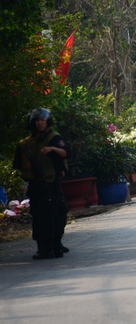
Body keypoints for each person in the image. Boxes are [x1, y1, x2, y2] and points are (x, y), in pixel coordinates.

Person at [13, 108, 71, 260]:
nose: (39, 123)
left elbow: (66, 152)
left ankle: (56, 245)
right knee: (40, 217)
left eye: (42, 120)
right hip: (37, 185)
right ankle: (45, 248)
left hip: (52, 183)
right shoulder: (26, 144)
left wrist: (52, 149)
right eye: (37, 121)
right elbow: (19, 165)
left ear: (47, 122)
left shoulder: (54, 138)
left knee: (58, 214)